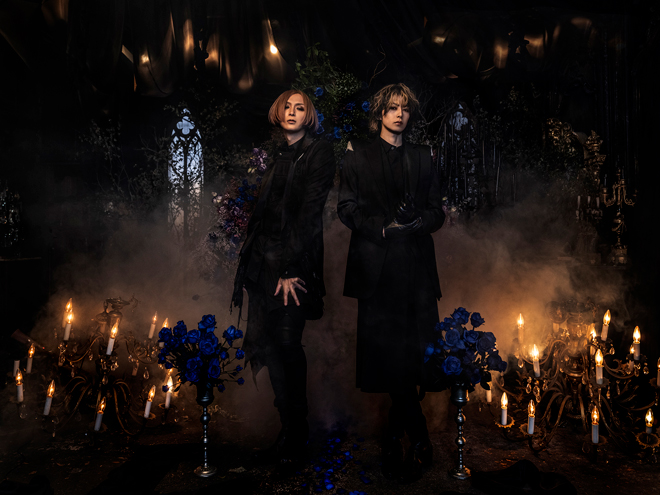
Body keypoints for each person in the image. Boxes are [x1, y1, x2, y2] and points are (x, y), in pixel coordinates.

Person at [337, 83, 445, 482]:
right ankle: (416, 435)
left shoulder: (422, 155)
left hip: (417, 270)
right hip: (377, 271)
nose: (399, 114)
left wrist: (420, 223)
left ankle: (394, 438)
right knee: (391, 356)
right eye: (392, 108)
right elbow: (346, 208)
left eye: (405, 109)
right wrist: (382, 228)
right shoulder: (358, 153)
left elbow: (437, 211)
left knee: (412, 356)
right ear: (380, 113)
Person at [231, 89, 335, 468]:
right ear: (279, 113)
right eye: (287, 107)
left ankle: (297, 434)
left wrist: (290, 268)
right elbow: (266, 216)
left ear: (309, 115)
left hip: (294, 264)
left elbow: (309, 214)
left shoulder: (319, 151)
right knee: (268, 345)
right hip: (263, 265)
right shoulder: (278, 156)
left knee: (288, 343)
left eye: (300, 107)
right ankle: (288, 433)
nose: (292, 111)